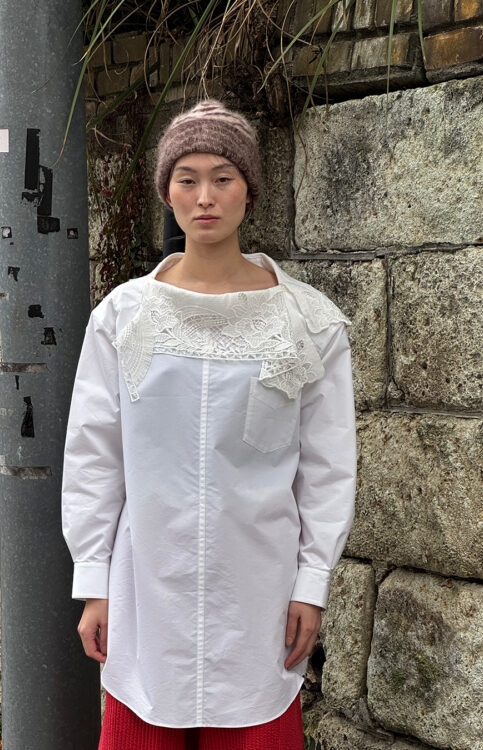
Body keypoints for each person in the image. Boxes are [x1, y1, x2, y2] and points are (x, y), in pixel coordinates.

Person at [61, 98, 357, 750]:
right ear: (166, 191)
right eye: (187, 178)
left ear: (249, 189)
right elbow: (94, 455)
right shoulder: (122, 319)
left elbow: (328, 466)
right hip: (146, 586)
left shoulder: (309, 324)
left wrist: (312, 583)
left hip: (259, 591)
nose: (204, 197)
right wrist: (94, 582)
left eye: (223, 177)